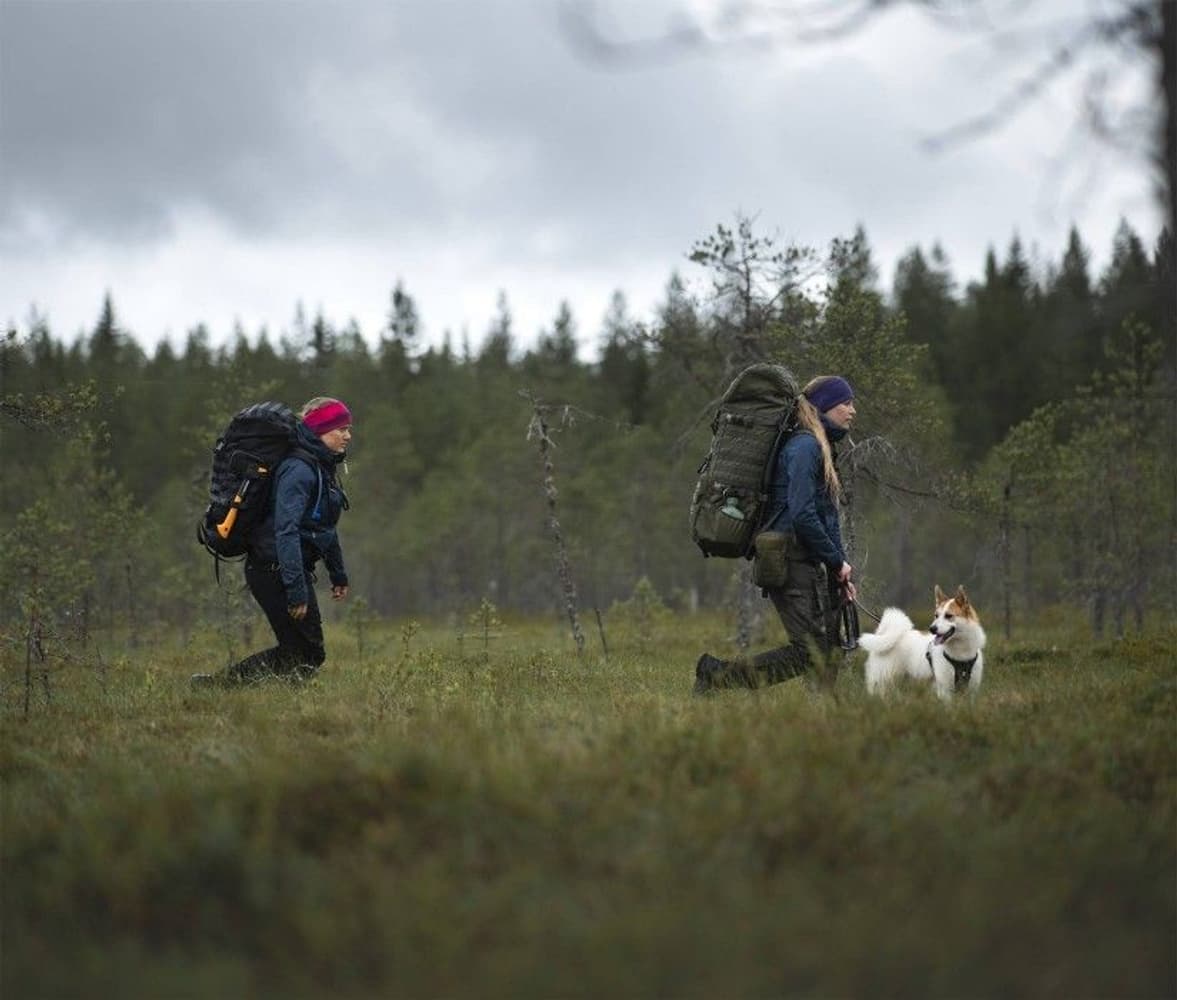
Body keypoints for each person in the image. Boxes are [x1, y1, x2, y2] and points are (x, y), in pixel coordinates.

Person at [694, 375, 857, 694]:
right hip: (788, 558)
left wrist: (840, 569)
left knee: (828, 648)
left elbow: (825, 515)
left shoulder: (818, 445)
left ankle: (823, 720)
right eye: (846, 403)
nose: (853, 411)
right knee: (809, 652)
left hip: (803, 559)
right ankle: (716, 677)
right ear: (825, 406)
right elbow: (803, 513)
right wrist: (836, 562)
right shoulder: (806, 446)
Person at [192, 397, 353, 687]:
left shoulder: (321, 467)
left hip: (282, 568)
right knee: (306, 654)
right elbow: (286, 531)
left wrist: (337, 572)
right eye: (340, 428)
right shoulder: (300, 470)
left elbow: (324, 527)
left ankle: (248, 696)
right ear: (320, 430)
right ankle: (215, 687)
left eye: (348, 428)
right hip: (272, 569)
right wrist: (296, 590)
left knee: (303, 655)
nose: (347, 435)